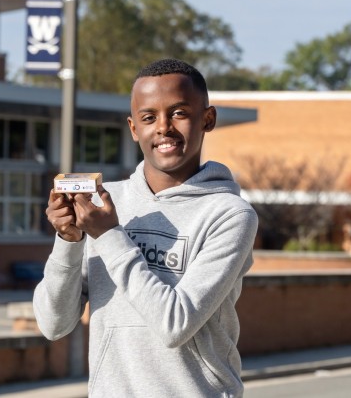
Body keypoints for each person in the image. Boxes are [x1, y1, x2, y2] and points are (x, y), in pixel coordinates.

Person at [33, 58, 259, 397]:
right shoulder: (108, 203)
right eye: (149, 117)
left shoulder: (230, 215)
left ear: (207, 119)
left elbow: (175, 324)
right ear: (134, 128)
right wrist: (69, 240)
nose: (163, 127)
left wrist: (109, 235)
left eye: (179, 113)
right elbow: (53, 324)